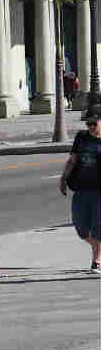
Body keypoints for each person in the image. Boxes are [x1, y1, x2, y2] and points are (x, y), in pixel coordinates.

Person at [58, 111, 101, 274]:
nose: (90, 126)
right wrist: (63, 179)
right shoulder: (82, 137)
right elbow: (72, 160)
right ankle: (98, 247)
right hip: (81, 189)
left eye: (94, 123)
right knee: (80, 228)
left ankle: (96, 262)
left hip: (99, 191)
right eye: (88, 123)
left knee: (97, 226)